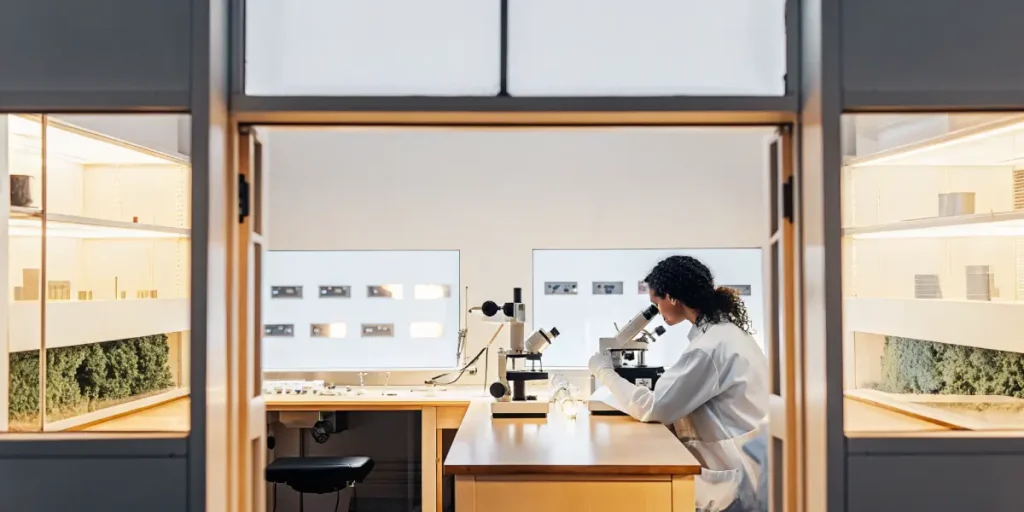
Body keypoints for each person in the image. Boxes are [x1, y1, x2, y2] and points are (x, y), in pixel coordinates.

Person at [588, 255, 769, 512]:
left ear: (672, 297)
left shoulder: (709, 347)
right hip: (746, 465)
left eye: (656, 302)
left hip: (736, 480)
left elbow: (654, 408)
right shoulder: (722, 334)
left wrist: (605, 372)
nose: (657, 310)